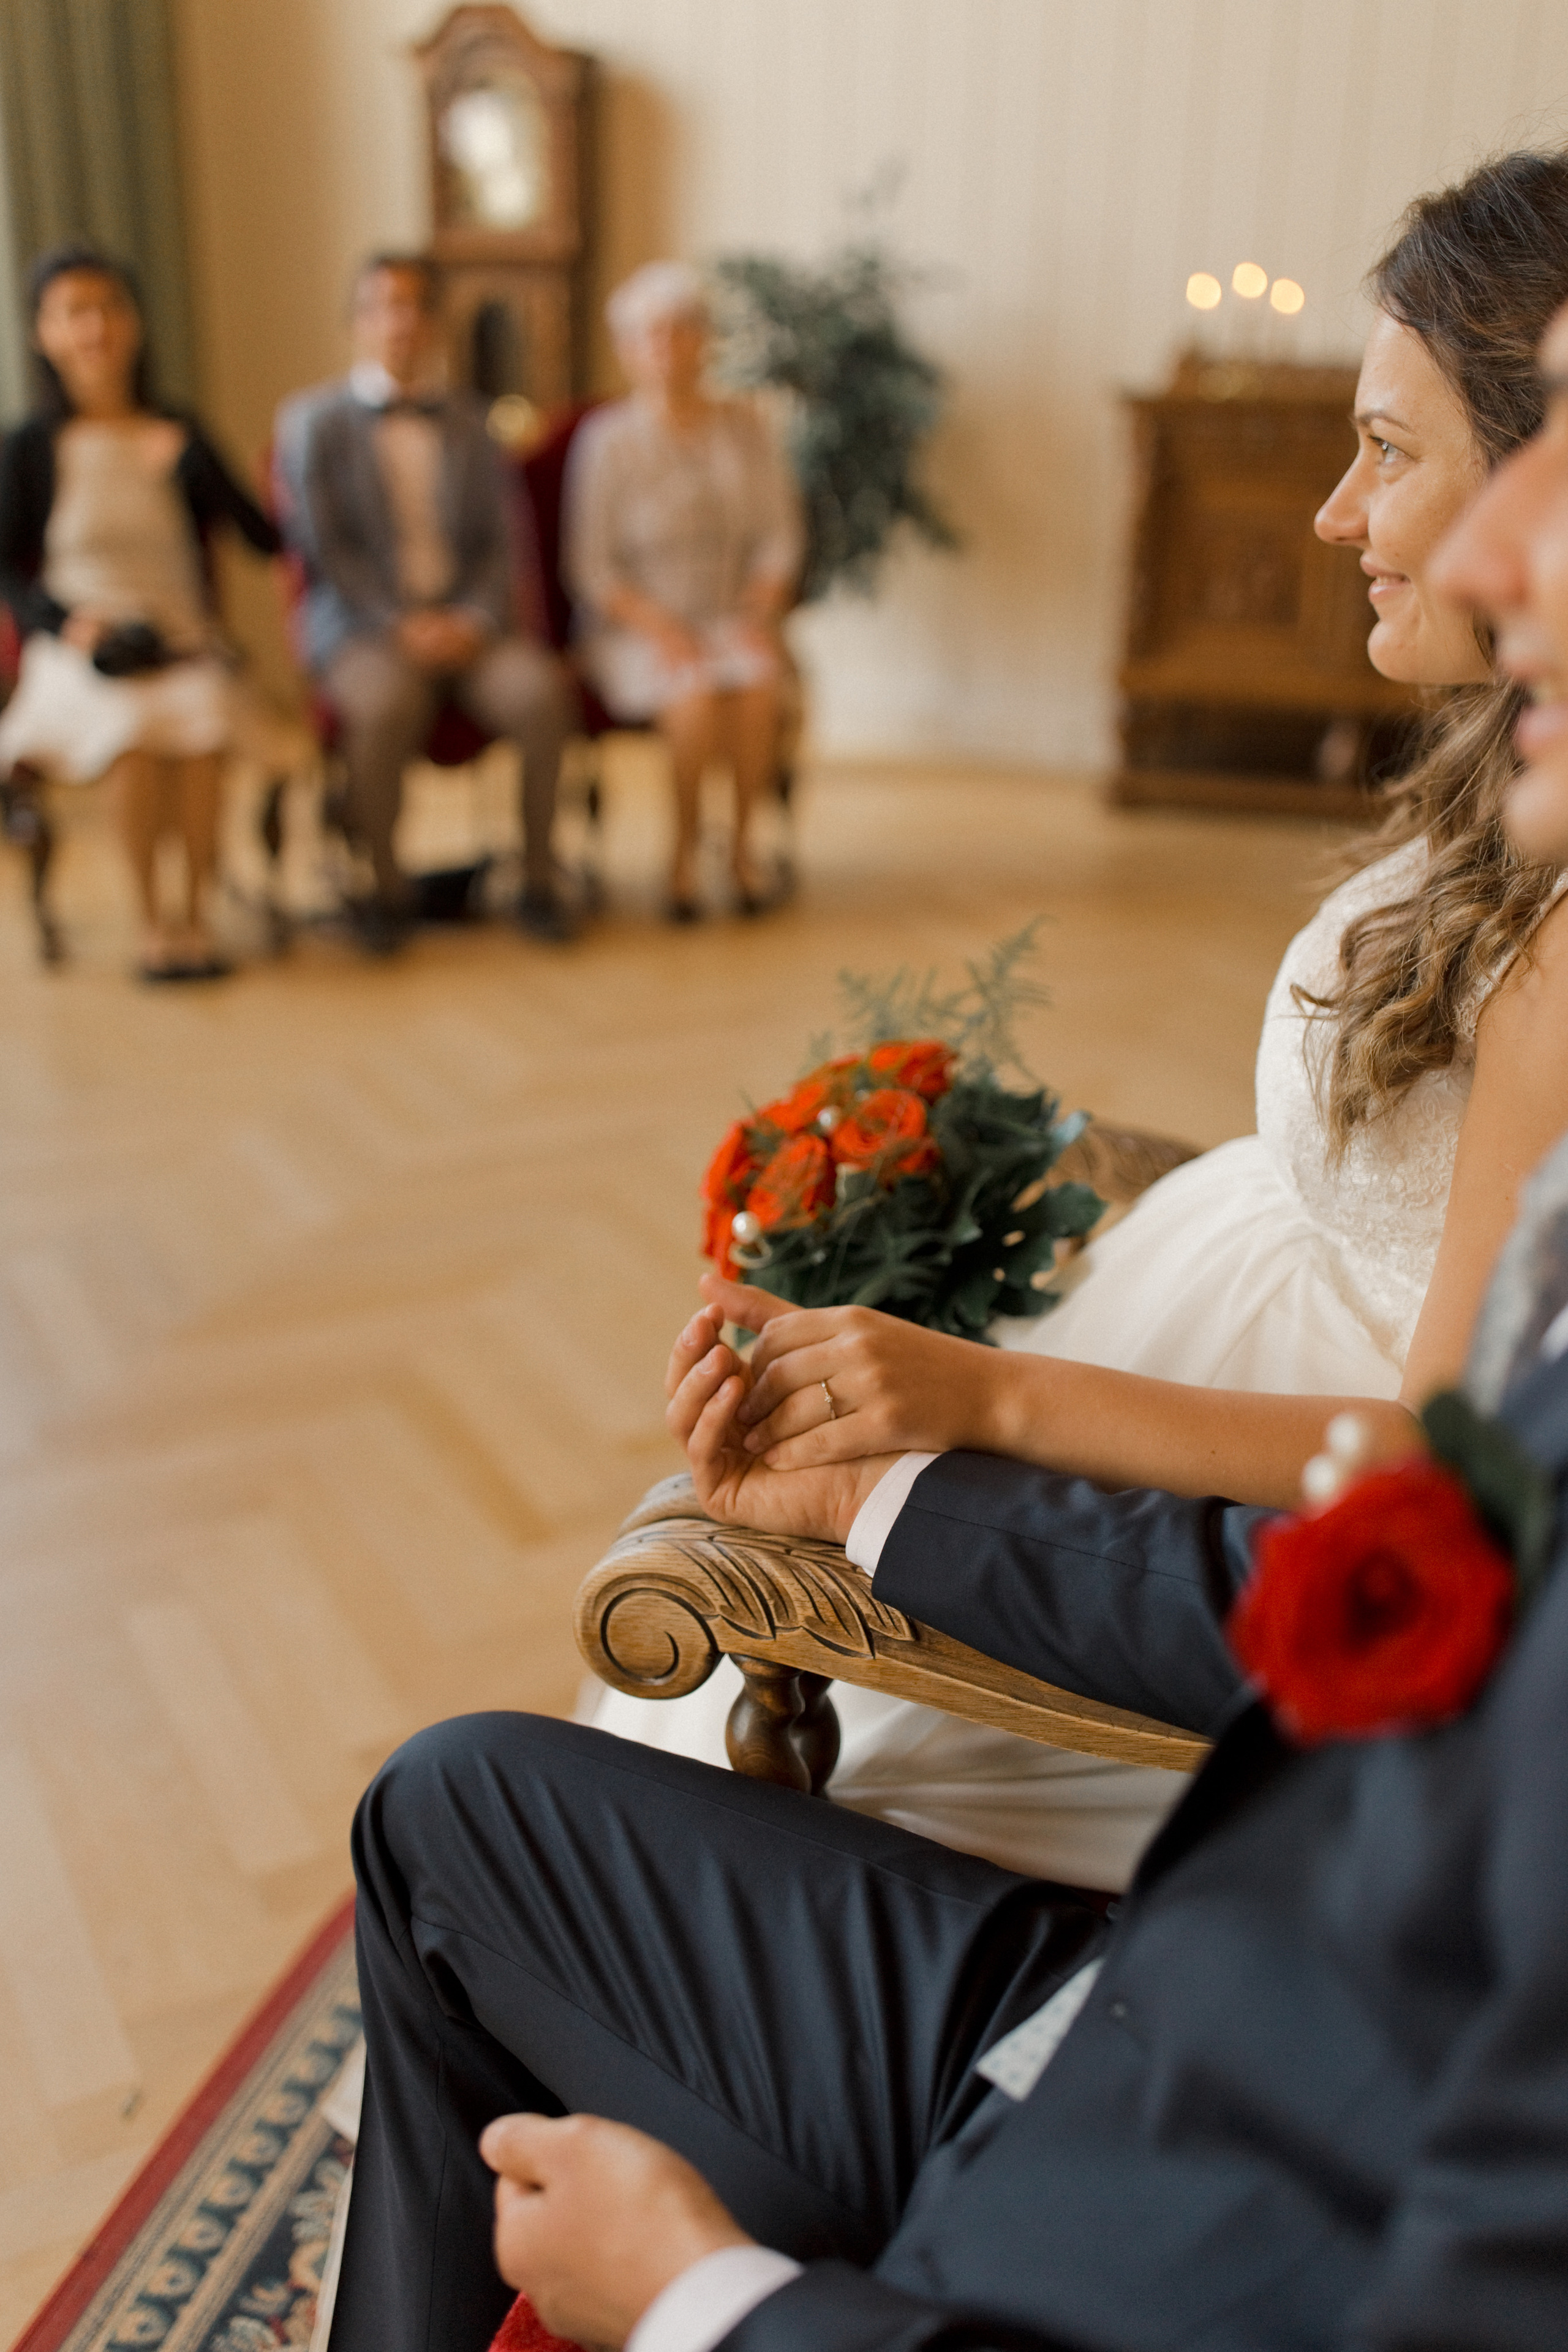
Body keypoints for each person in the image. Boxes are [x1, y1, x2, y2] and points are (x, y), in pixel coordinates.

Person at [328, 336, 1568, 2346]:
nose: (1396, 521)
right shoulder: (1509, 832)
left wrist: (708, 2300)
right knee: (448, 1805)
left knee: (463, 1830)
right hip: (1150, 2012)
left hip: (1132, 2193)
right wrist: (890, 1490)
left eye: (1407, 452)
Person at [589, 151, 1568, 1893]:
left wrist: (983, 1396)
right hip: (1182, 1326)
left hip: (1260, 1486)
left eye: (1387, 450)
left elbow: (1443, 1449)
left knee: (704, 1810)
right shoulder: (1513, 761)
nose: (1333, 512)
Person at [0, 246, 283, 979]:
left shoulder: (176, 429)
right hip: (80, 645)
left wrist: (195, 466)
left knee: (202, 727)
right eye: (74, 313)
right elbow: (6, 570)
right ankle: (152, 923)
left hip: (180, 637)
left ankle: (196, 919)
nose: (95, 328)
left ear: (134, 324)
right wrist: (66, 624)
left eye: (108, 308)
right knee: (130, 732)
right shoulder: (31, 448)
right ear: (43, 334)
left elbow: (264, 539)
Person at [287, 252, 575, 952]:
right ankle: (386, 891)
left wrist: (470, 620)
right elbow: (327, 553)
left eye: (415, 306)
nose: (401, 321)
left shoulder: (472, 421)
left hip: (470, 625)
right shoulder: (314, 423)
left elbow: (500, 545)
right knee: (384, 706)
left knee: (540, 695)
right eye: (385, 305)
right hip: (364, 628)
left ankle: (538, 881)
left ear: (435, 323)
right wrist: (403, 625)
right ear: (357, 321)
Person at [564, 260, 803, 921]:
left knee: (758, 684)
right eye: (653, 335)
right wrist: (662, 629)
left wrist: (759, 608)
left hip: (730, 611)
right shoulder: (606, 441)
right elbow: (591, 567)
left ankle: (743, 853)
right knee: (692, 693)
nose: (669, 348)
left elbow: (779, 535)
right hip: (635, 625)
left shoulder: (746, 429)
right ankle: (681, 858)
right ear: (628, 349)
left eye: (683, 330)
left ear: (705, 341)